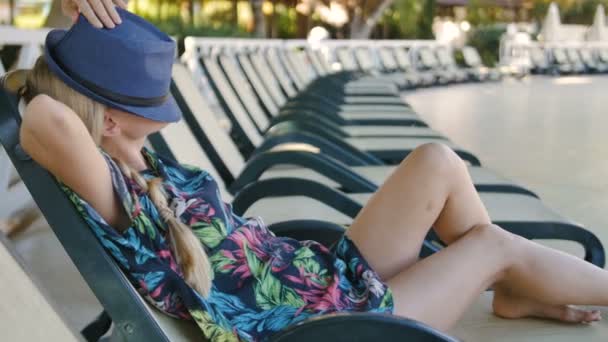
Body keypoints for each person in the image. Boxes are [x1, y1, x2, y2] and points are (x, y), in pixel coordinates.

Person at [6, 4, 608, 342]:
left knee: (437, 163)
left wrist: (71, 26)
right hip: (323, 327)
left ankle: (514, 291)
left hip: (321, 279)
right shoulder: (115, 194)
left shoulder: (140, 162)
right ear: (109, 122)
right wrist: (60, 59)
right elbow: (44, 118)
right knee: (490, 244)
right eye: (148, 110)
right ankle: (516, 279)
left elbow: (64, 106)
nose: (163, 120)